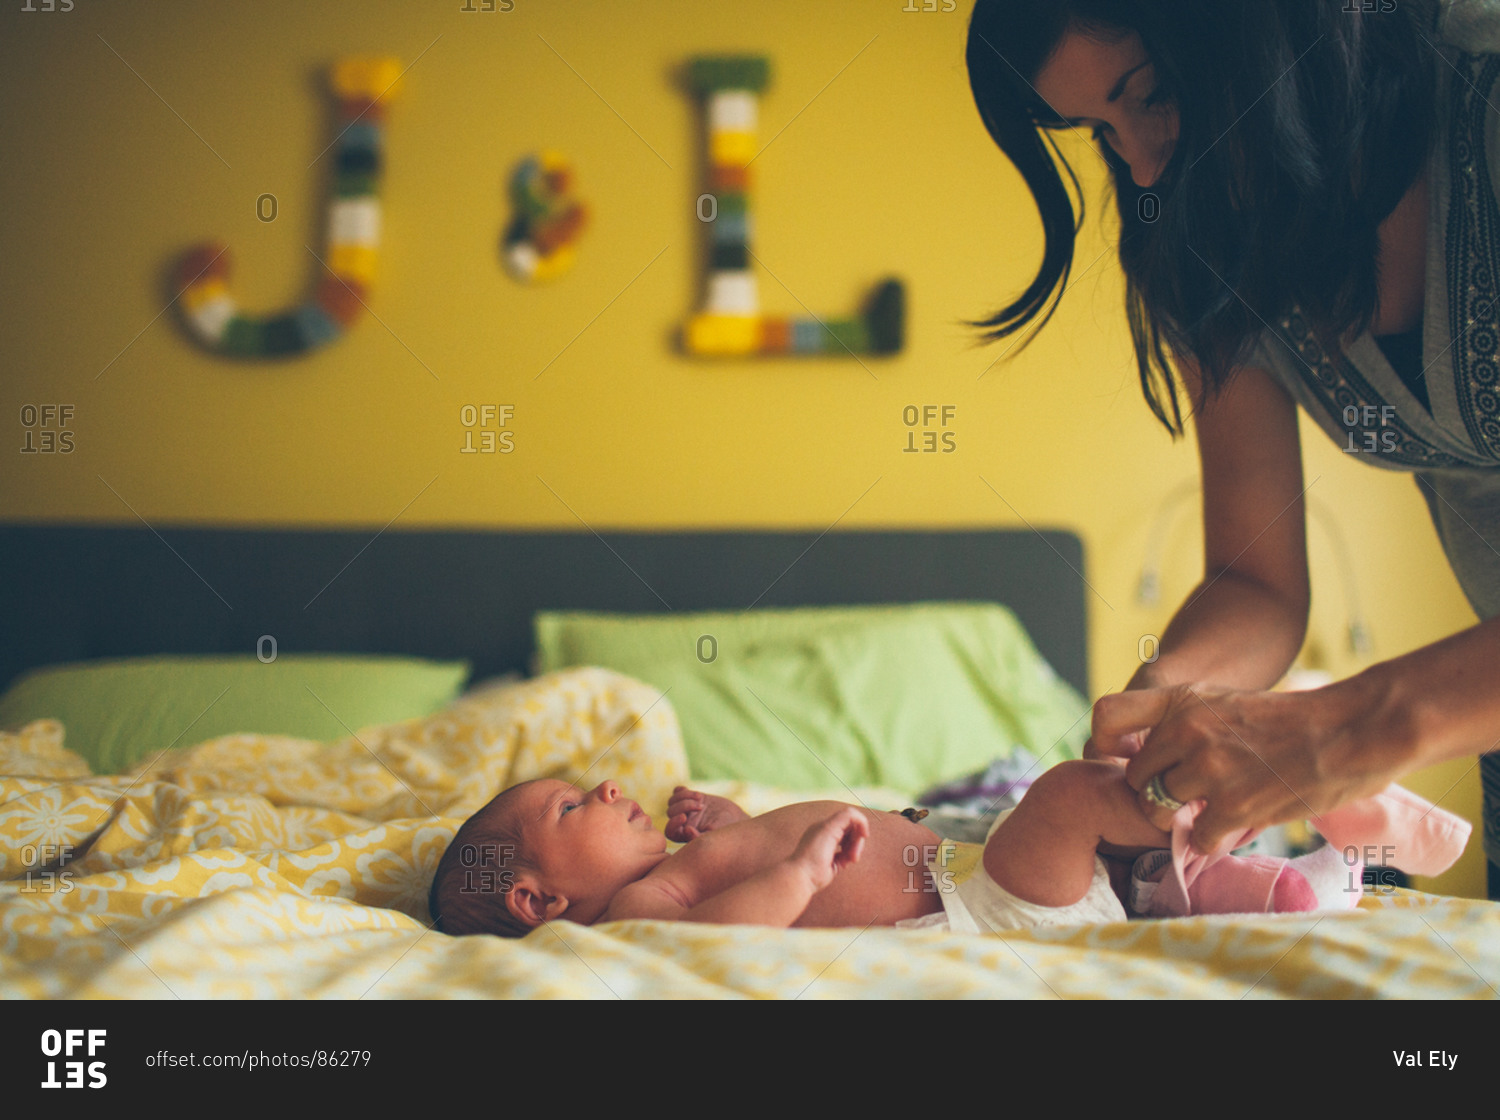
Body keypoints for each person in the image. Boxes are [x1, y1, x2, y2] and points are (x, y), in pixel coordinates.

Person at [966, 0, 1500, 894]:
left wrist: (1346, 727)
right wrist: (1172, 699)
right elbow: (1257, 583)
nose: (1138, 161)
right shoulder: (1206, 241)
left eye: (1156, 93)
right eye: (1097, 130)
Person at [426, 771, 1467, 937]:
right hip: (980, 909)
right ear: (537, 897)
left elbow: (737, 862)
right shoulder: (636, 915)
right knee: (1072, 791)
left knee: (1118, 780)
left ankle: (1299, 861)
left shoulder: (676, 857)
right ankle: (1310, 787)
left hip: (982, 870)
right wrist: (796, 871)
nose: (609, 785)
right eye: (572, 803)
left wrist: (728, 816)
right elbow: (722, 940)